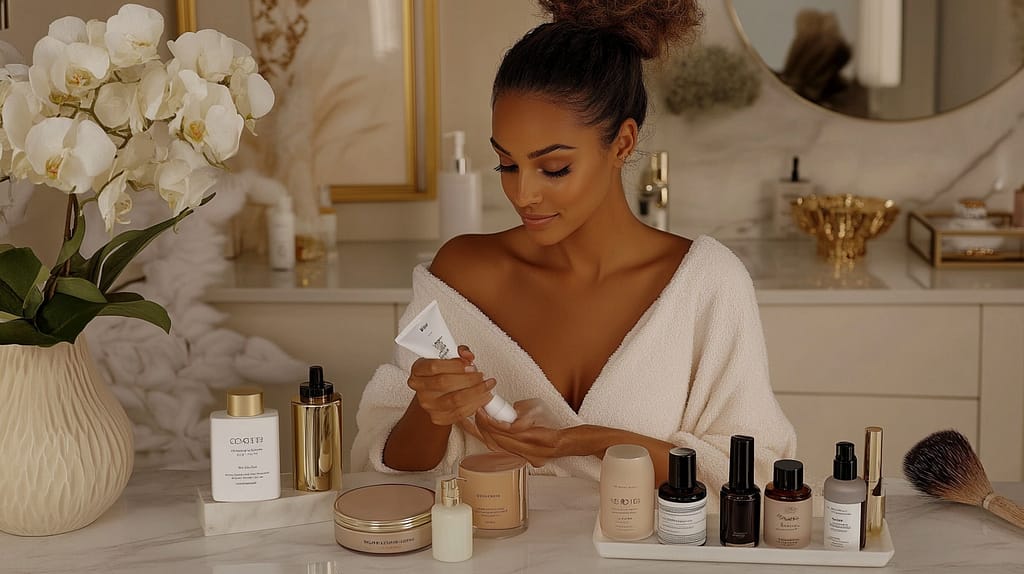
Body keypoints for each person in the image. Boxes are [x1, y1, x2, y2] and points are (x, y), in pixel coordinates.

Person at [351, 0, 797, 498]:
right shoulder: (463, 275)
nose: (523, 194)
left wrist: (587, 442)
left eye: (554, 168)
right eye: (507, 165)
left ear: (623, 143)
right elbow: (389, 469)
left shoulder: (704, 284)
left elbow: (751, 476)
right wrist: (432, 411)